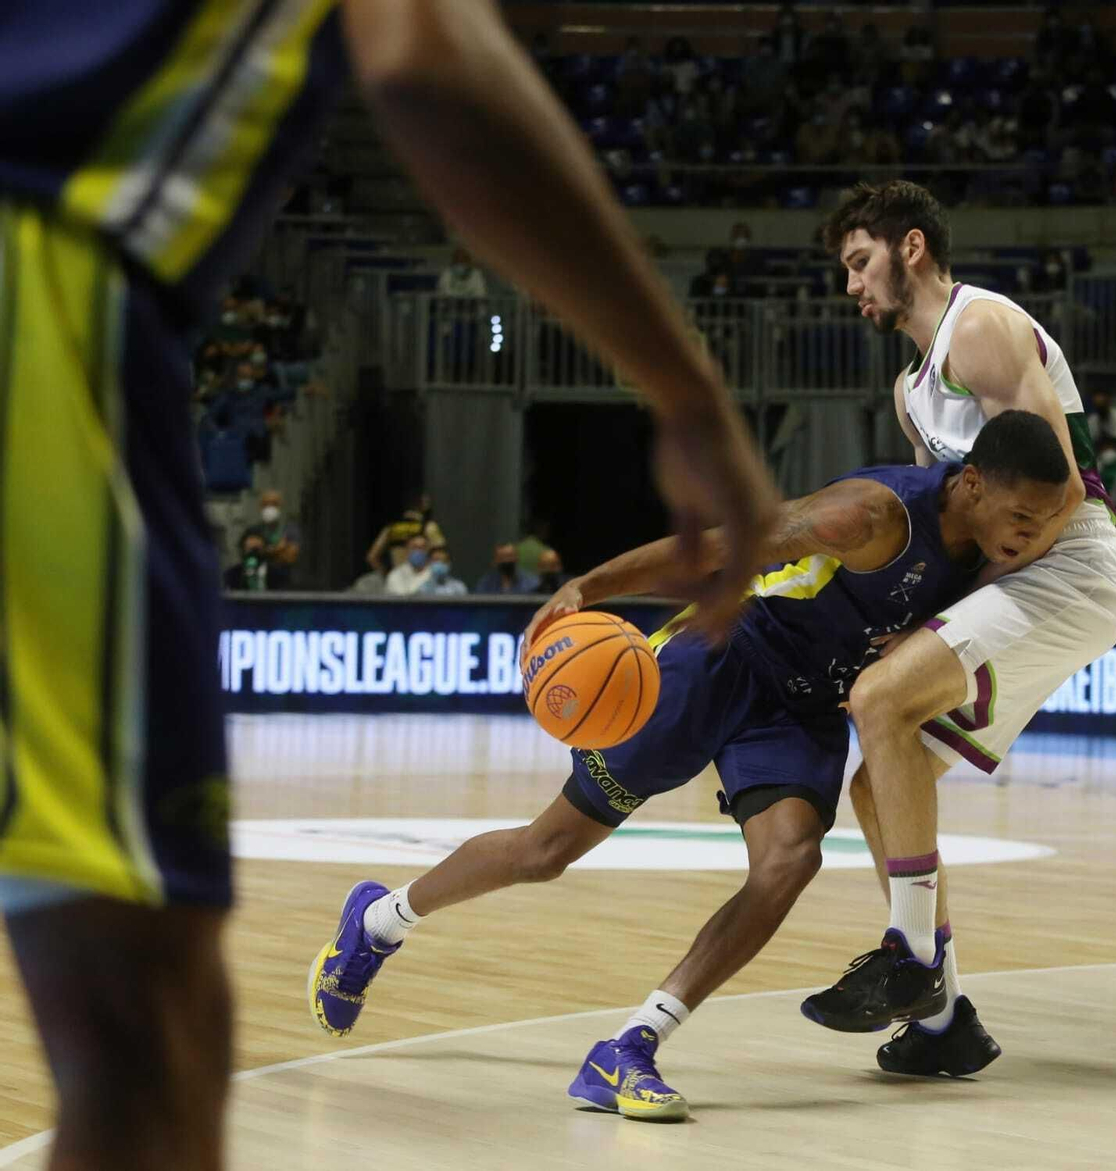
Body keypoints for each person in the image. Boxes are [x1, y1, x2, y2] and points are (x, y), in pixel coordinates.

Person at [0, 5, 782, 1161]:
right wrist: (687, 394)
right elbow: (423, 50)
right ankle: (383, 920)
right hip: (42, 303)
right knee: (145, 1052)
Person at [308, 412, 1072, 1119]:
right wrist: (590, 585)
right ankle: (379, 920)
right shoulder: (870, 515)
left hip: (802, 706)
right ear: (971, 484)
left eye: (1040, 523)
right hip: (722, 657)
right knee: (546, 851)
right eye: (1019, 518)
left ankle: (630, 1045)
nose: (1028, 537)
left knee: (790, 858)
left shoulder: (996, 548)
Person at [803, 182, 1116, 1056]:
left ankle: (910, 955)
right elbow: (941, 531)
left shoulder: (979, 327)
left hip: (1068, 559)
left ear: (911, 246)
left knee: (880, 702)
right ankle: (946, 1022)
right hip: (1017, 572)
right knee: (878, 777)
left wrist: (936, 618)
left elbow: (1055, 486)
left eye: (860, 261)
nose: (852, 285)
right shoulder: (913, 388)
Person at [246, 489, 302, 578]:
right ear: (260, 507)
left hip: (283, 581)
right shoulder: (252, 531)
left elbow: (290, 557)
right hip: (259, 581)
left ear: (280, 506)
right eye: (266, 504)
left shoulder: (290, 529)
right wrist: (279, 549)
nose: (270, 508)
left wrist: (263, 550)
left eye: (274, 504)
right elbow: (249, 557)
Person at [223, 533, 289, 592]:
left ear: (264, 550)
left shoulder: (278, 574)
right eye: (250, 549)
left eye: (257, 549)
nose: (253, 554)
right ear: (243, 551)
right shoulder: (232, 574)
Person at [475, 543, 542, 594]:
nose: (506, 561)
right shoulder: (486, 583)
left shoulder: (531, 582)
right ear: (496, 560)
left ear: (516, 558)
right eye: (502, 558)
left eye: (509, 557)